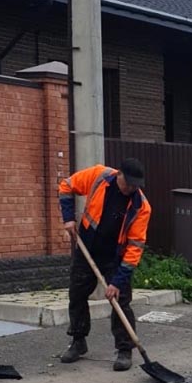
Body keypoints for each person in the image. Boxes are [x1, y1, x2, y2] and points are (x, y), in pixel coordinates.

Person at [58, 158, 151, 371]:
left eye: (136, 186)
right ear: (119, 175)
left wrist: (117, 281)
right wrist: (68, 219)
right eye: (128, 184)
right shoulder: (99, 176)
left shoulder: (141, 206)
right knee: (78, 293)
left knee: (121, 301)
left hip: (115, 257)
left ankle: (125, 350)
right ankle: (78, 341)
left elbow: (135, 247)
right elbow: (66, 186)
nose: (131, 189)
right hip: (87, 247)